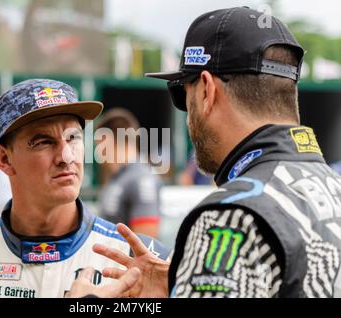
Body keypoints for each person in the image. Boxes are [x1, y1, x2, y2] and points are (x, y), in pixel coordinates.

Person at [68, 7, 341, 298]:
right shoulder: (333, 189)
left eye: (182, 96)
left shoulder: (231, 215)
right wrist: (178, 288)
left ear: (207, 90)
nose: (187, 116)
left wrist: (88, 304)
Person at [0, 79, 169, 298]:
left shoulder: (139, 264)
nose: (66, 156)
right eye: (43, 142)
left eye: (73, 137)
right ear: (4, 159)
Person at [95, 108, 162, 238]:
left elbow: (146, 244)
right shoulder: (118, 177)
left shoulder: (141, 179)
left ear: (106, 139)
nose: (99, 155)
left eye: (98, 146)